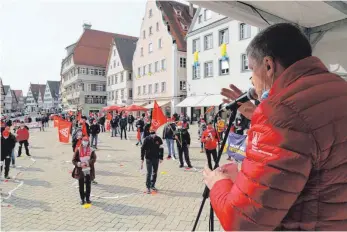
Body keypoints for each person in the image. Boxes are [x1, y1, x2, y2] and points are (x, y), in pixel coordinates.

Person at [205, 23, 347, 231]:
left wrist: (218, 183)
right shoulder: (338, 89)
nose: (252, 81)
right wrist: (257, 114)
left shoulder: (279, 112)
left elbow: (242, 222)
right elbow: (311, 138)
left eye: (252, 70)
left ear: (269, 66)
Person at [72, 136, 97, 205]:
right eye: (84, 141)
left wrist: (87, 163)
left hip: (88, 169)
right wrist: (80, 164)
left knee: (88, 185)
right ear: (82, 141)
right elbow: (74, 160)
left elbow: (94, 158)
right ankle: (82, 199)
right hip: (80, 170)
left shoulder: (91, 150)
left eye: (86, 141)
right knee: (81, 184)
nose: (85, 142)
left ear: (88, 142)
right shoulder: (78, 150)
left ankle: (88, 198)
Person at [141, 129, 163, 194]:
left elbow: (161, 148)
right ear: (150, 134)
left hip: (156, 158)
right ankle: (148, 187)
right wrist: (142, 159)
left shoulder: (158, 139)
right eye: (151, 134)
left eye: (154, 134)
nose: (153, 136)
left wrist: (161, 157)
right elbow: (142, 149)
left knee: (155, 172)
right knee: (149, 173)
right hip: (148, 158)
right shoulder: (147, 139)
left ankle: (152, 185)